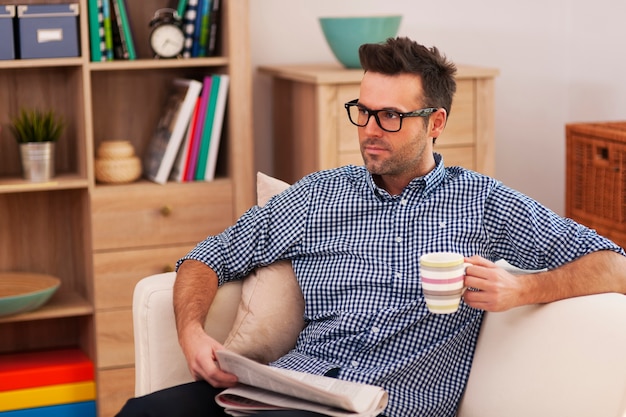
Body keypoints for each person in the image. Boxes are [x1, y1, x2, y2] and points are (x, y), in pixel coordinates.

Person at [116, 37, 626, 417]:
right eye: (362, 112)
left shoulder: (486, 204)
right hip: (288, 392)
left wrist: (524, 288)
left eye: (389, 117)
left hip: (388, 405)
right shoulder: (318, 195)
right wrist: (191, 333)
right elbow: (208, 257)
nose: (370, 132)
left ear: (436, 122)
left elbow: (615, 265)